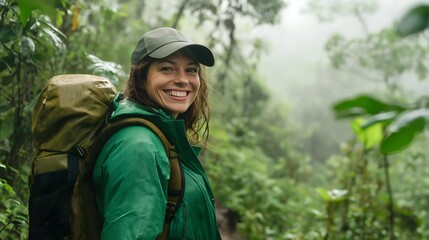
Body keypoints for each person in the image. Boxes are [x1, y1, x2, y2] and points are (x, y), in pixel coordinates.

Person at [92, 27, 222, 239]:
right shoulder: (139, 147)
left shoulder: (161, 136)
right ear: (141, 77)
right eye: (167, 69)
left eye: (191, 70)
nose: (183, 79)